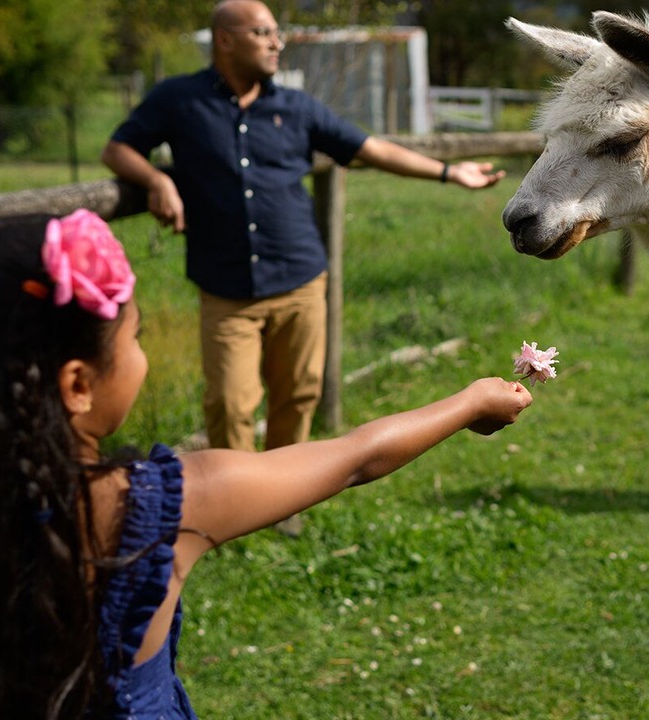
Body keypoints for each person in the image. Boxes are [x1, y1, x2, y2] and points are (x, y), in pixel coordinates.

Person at [0, 211, 532, 719]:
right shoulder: (161, 510)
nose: (139, 353)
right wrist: (471, 401)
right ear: (77, 384)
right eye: (133, 337)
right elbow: (354, 458)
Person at [101, 0, 506, 537]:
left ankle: (282, 503)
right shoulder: (178, 100)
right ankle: (225, 512)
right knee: (229, 403)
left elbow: (371, 148)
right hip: (225, 289)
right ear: (225, 40)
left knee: (298, 396)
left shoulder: (295, 107)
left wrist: (450, 172)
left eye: (276, 32)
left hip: (300, 281)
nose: (276, 42)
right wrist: (156, 181)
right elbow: (118, 149)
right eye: (262, 32)